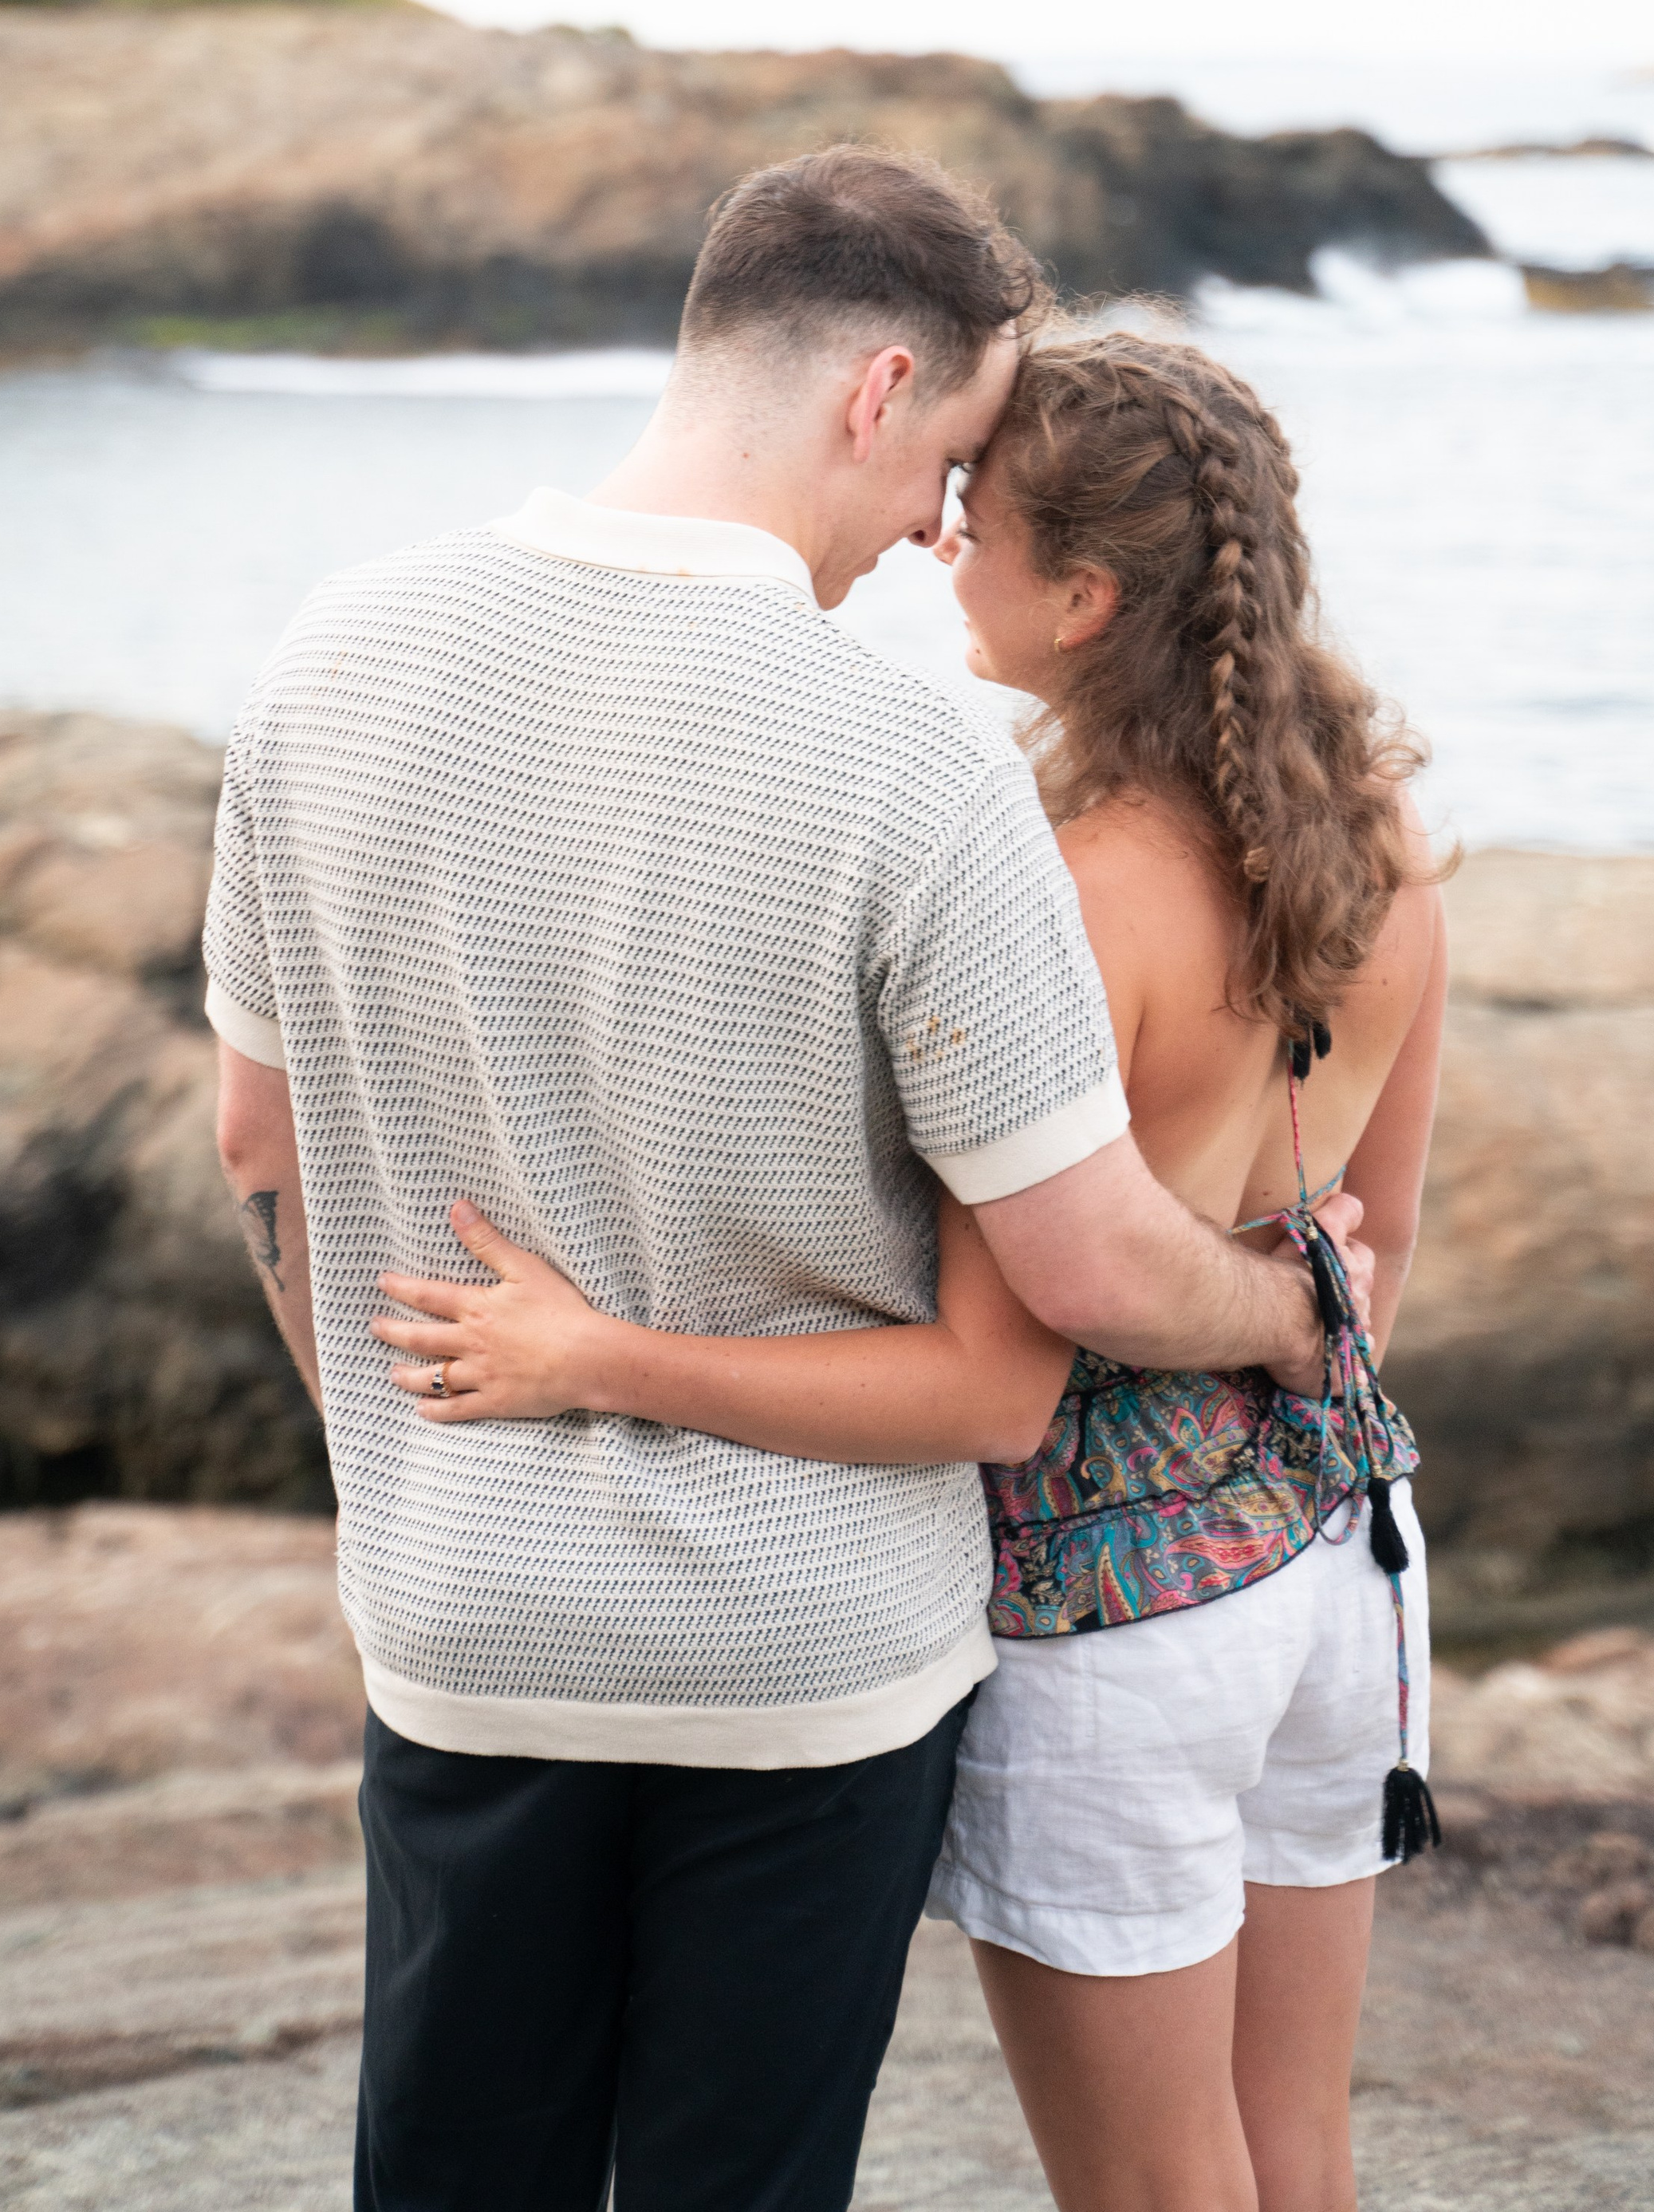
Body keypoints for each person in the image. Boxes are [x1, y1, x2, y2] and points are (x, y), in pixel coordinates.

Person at [205, 153, 1359, 2212]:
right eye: (949, 458)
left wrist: (410, 1464)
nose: (939, 526)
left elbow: (254, 1148)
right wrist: (1291, 1306)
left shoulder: (320, 665)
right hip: (810, 1683)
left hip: (470, 1631)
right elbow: (1058, 1299)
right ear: (875, 387)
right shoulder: (916, 774)